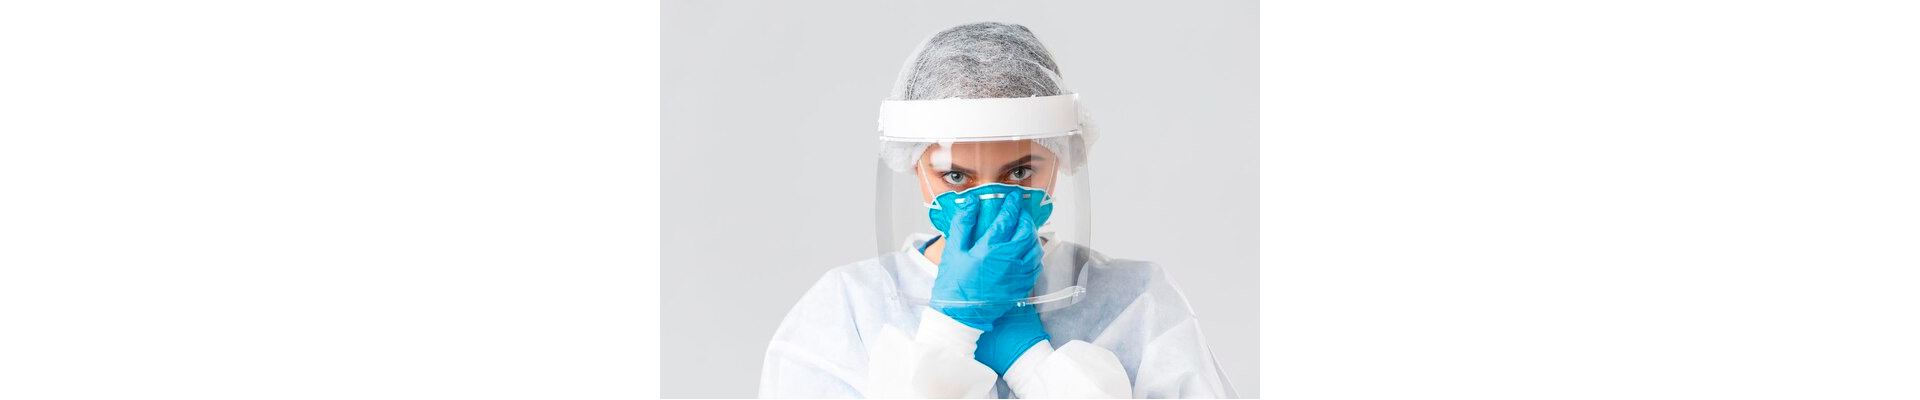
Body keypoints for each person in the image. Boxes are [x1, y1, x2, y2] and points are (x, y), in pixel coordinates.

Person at [759, 22, 1235, 398]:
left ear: (1060, 160)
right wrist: (949, 331)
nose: (990, 201)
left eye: (1020, 172)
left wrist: (1031, 360)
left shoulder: (1137, 302)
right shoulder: (847, 309)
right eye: (956, 177)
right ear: (914, 166)